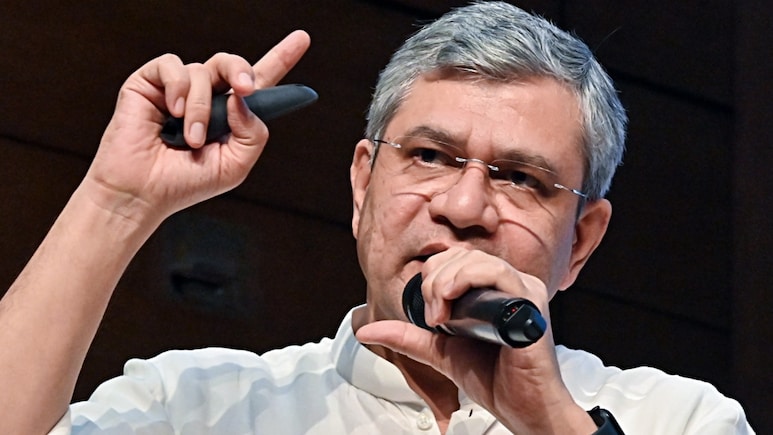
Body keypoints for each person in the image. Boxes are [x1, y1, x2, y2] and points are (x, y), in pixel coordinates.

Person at [0, 2, 754, 434]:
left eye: (519, 178)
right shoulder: (198, 406)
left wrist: (553, 423)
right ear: (362, 184)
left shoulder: (678, 418)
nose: (462, 207)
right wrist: (117, 200)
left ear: (580, 241)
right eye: (429, 156)